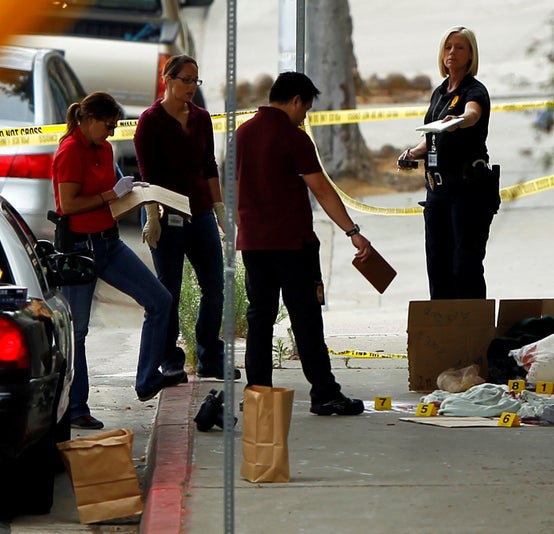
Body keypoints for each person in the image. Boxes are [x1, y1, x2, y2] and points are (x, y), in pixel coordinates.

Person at [235, 71, 369, 416]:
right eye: (305, 110)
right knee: (306, 318)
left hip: (252, 243)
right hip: (293, 245)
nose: (304, 116)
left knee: (259, 318)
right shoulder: (293, 138)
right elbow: (322, 189)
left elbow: (230, 185)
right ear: (296, 101)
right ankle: (324, 392)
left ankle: (258, 394)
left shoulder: (242, 134)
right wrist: (352, 231)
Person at [52, 91, 184, 430]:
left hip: (109, 243)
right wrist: (112, 193)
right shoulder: (69, 151)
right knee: (77, 331)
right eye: (108, 126)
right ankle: (77, 408)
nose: (111, 132)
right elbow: (69, 204)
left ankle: (146, 379)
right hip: (80, 247)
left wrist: (135, 191)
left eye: (114, 127)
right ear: (89, 120)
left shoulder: (104, 148)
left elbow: (113, 190)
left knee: (159, 300)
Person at [134, 55, 240, 380]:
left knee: (215, 285)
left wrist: (221, 211)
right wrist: (152, 216)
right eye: (186, 80)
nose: (192, 87)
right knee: (170, 290)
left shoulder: (201, 118)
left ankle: (211, 356)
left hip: (200, 211)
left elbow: (209, 166)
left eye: (196, 81)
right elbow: (146, 173)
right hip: (164, 213)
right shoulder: (150, 121)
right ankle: (170, 358)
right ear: (167, 79)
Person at [398, 26, 500, 300]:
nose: (452, 53)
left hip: (467, 191)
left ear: (471, 56)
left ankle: (471, 331)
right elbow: (433, 139)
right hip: (437, 193)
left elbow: (473, 115)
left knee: (463, 268)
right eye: (448, 47)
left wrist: (458, 122)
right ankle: (443, 333)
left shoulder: (474, 91)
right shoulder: (440, 93)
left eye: (460, 48)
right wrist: (411, 153)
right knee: (438, 268)